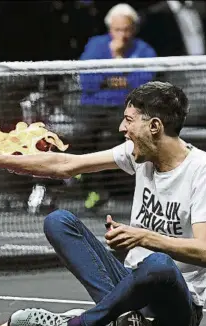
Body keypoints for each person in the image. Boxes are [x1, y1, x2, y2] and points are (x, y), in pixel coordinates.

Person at [0, 81, 206, 326]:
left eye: (128, 120)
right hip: (128, 284)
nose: (121, 128)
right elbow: (65, 164)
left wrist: (143, 237)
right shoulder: (137, 154)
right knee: (59, 221)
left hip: (176, 310)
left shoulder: (202, 170)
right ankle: (123, 320)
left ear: (154, 126)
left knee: (159, 265)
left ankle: (78, 324)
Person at [75, 3, 156, 209]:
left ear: (134, 29)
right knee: (80, 135)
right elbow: (88, 83)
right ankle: (89, 187)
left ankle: (102, 190)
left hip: (127, 108)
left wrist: (110, 71)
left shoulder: (144, 50)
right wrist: (120, 72)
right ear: (110, 29)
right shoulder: (96, 46)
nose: (123, 34)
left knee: (112, 140)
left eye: (127, 29)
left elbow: (142, 84)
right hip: (93, 106)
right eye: (118, 30)